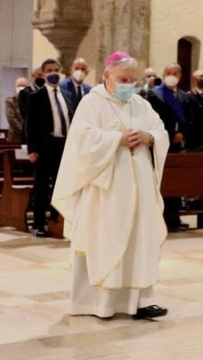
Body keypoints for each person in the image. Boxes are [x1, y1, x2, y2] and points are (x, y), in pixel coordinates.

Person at [53, 52, 170, 320]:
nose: (129, 84)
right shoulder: (91, 103)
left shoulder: (141, 104)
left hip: (139, 189)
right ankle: (100, 304)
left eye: (133, 79)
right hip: (106, 191)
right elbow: (81, 140)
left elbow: (160, 131)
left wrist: (149, 137)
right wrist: (114, 139)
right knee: (106, 242)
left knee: (139, 243)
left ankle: (141, 302)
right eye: (123, 79)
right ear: (107, 76)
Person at [25, 58, 74, 237]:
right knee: (42, 186)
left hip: (64, 146)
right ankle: (39, 224)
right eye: (49, 70)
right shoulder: (36, 97)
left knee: (62, 185)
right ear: (44, 74)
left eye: (55, 70)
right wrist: (31, 149)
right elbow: (29, 125)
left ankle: (57, 220)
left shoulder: (67, 95)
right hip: (45, 146)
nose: (53, 73)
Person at [147, 63, 191, 231]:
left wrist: (183, 135)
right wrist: (171, 134)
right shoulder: (154, 95)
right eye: (168, 73)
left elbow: (189, 119)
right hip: (161, 144)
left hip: (179, 146)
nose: (171, 75)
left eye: (175, 73)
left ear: (180, 76)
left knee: (177, 181)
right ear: (163, 74)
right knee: (162, 181)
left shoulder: (184, 96)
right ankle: (161, 218)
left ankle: (175, 217)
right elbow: (155, 119)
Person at [6, 76, 28, 141]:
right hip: (15, 136)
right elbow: (11, 118)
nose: (21, 87)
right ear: (15, 87)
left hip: (29, 136)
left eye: (23, 85)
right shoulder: (10, 101)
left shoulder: (31, 100)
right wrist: (23, 130)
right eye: (19, 85)